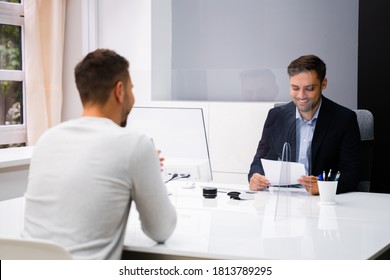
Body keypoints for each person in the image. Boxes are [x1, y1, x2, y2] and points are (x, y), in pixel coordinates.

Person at [22, 49, 177, 259]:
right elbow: (161, 230)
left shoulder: (47, 139)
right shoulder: (135, 145)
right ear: (119, 91)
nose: (133, 97)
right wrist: (149, 173)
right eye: (131, 89)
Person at [248, 54, 361, 195]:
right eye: (295, 88)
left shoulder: (344, 119)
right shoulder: (276, 116)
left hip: (323, 202)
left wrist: (324, 186)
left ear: (323, 84)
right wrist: (255, 177)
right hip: (283, 201)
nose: (301, 95)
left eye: (309, 88)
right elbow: (259, 161)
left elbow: (352, 174)